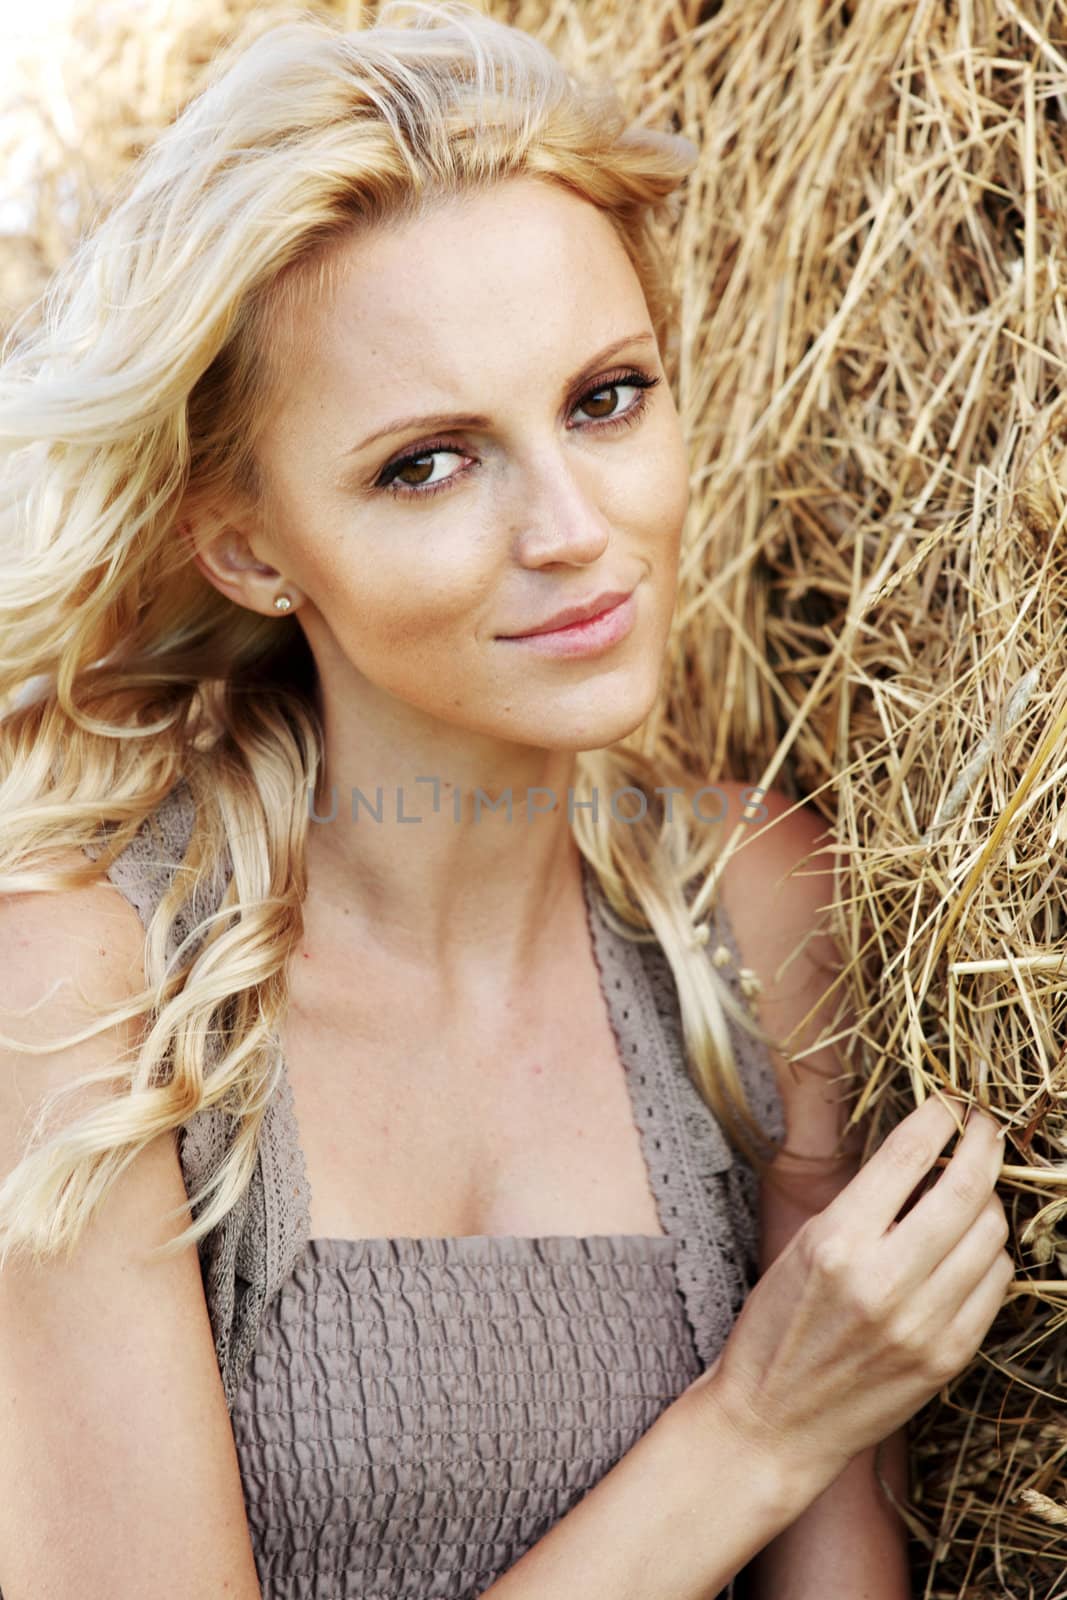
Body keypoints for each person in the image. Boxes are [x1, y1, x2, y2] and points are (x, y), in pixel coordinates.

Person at [0, 4, 1013, 1596]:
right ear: (252, 548)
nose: (573, 530)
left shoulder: (747, 914)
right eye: (428, 463)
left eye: (606, 399)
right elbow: (786, 1432)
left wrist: (809, 1441)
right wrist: (753, 1428)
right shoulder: (97, 1001)